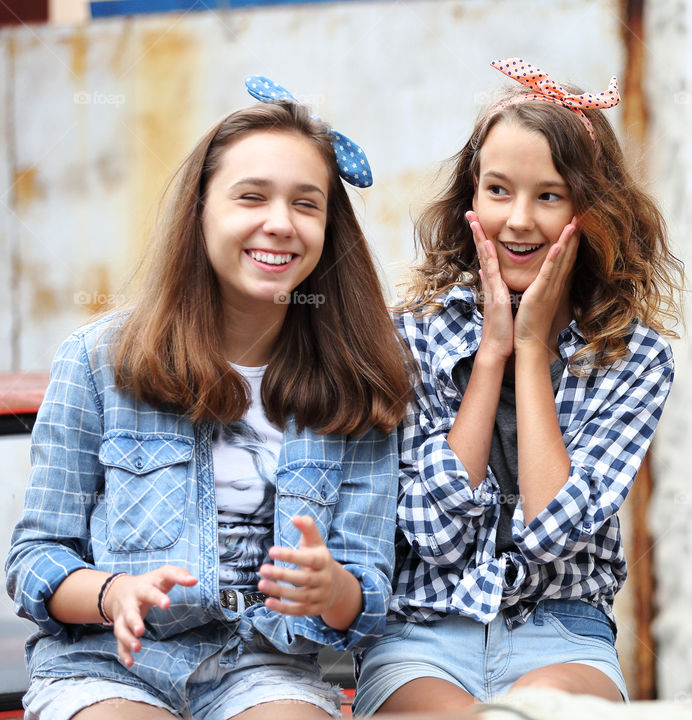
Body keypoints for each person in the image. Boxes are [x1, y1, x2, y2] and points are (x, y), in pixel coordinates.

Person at [5, 76, 409, 720]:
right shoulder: (97, 360)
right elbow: (34, 558)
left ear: (330, 230)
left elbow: (368, 599)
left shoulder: (356, 381)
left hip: (277, 665)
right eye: (251, 197)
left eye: (307, 204)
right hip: (109, 663)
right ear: (200, 210)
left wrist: (332, 589)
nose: (280, 223)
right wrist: (114, 593)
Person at [352, 59, 684, 715]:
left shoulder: (636, 357)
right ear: (469, 198)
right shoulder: (411, 337)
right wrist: (489, 357)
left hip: (562, 633)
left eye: (550, 195)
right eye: (498, 190)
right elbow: (436, 536)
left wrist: (530, 351)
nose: (519, 221)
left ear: (592, 210)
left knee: (537, 712)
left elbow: (553, 528)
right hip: (425, 630)